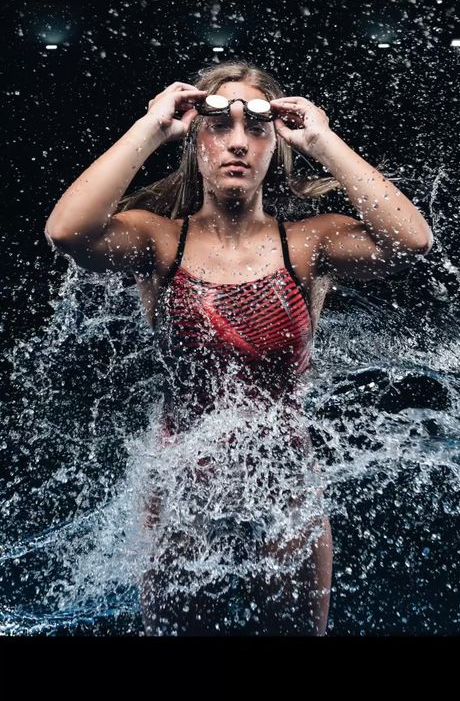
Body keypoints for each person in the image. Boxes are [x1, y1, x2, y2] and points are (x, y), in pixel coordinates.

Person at [44, 60, 434, 635]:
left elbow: (412, 240)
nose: (237, 143)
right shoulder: (159, 240)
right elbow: (67, 232)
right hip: (180, 482)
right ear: (194, 140)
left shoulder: (307, 243)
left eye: (256, 129)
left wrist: (323, 140)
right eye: (218, 126)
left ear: (276, 145)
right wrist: (152, 126)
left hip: (285, 480)